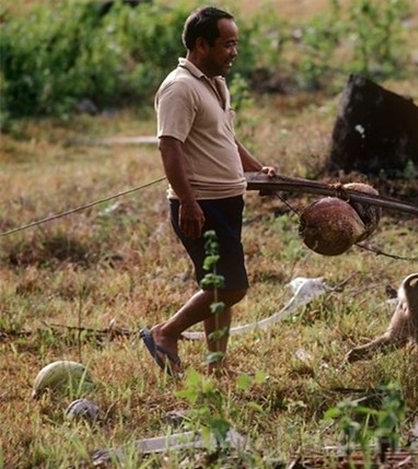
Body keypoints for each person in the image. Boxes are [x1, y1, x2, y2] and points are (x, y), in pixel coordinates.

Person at [140, 6, 276, 376]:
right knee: (231, 287)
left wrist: (257, 169)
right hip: (201, 205)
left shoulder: (214, 83)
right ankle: (166, 332)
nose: (234, 52)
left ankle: (217, 364)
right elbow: (169, 146)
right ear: (202, 45)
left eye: (236, 44)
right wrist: (187, 201)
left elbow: (225, 138)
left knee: (218, 286)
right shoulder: (179, 88)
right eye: (227, 44)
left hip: (226, 202)